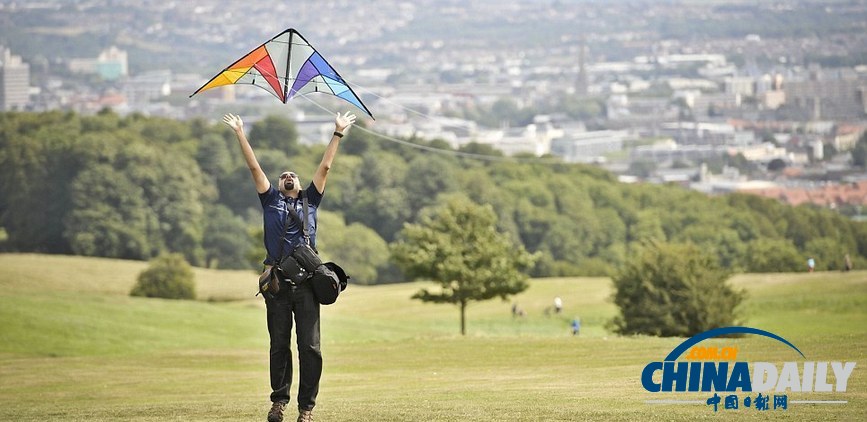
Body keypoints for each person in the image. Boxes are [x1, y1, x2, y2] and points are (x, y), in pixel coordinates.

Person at [224, 111, 356, 422]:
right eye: (283, 174)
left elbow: (325, 166)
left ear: (297, 182)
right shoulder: (270, 200)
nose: (288, 175)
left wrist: (337, 132)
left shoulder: (311, 199)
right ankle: (278, 404)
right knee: (278, 347)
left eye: (292, 174)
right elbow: (254, 167)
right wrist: (240, 133)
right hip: (278, 284)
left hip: (308, 285)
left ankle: (306, 409)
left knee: (310, 348)